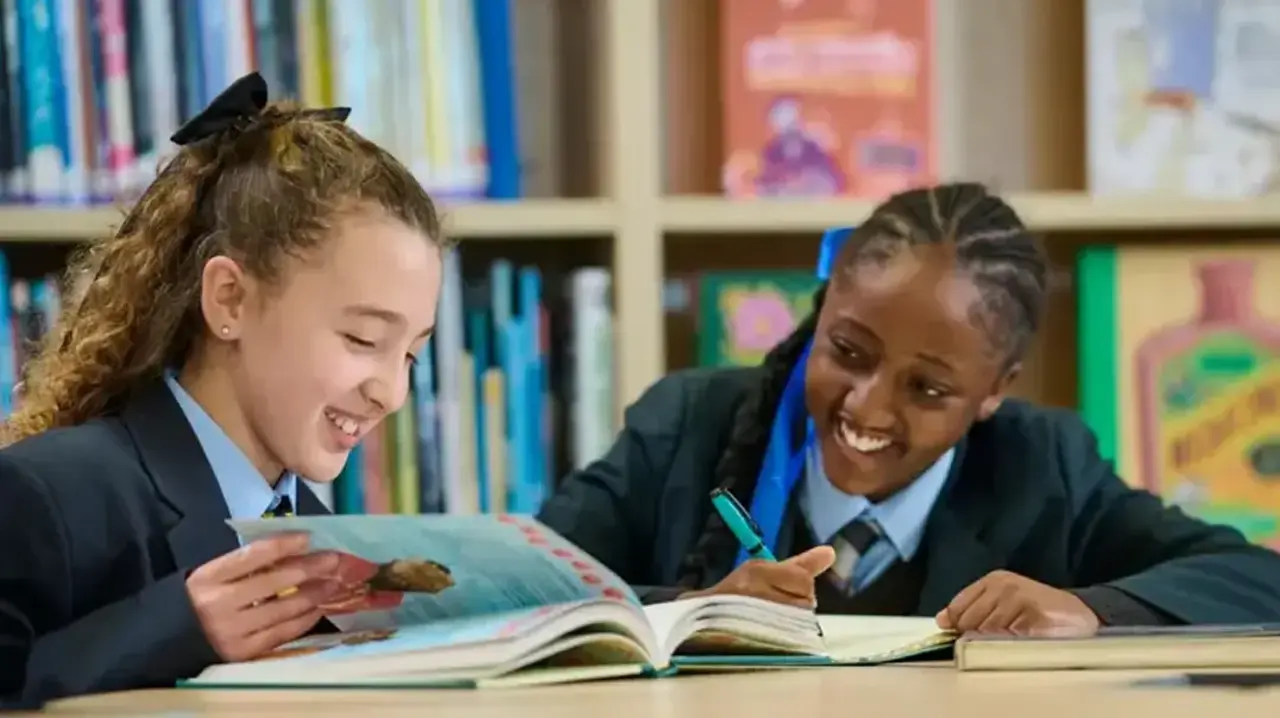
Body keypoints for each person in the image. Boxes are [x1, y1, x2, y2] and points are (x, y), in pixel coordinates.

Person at [538, 182, 1280, 636]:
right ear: (823, 309)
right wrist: (689, 611)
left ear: (995, 391)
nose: (867, 405)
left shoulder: (1046, 466)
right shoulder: (686, 424)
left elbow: (1256, 579)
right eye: (848, 352)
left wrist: (1093, 609)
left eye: (927, 389)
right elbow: (521, 590)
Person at [0, 73, 446, 702]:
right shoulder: (44, 496)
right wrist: (173, 628)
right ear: (229, 299)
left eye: (412, 357)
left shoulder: (325, 539)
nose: (390, 393)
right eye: (362, 340)